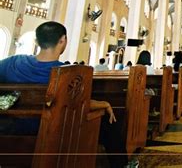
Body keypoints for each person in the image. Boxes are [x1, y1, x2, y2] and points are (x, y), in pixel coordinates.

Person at [0, 21, 126, 166]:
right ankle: (120, 164)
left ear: (37, 41)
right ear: (63, 40)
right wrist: (104, 104)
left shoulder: (11, 63)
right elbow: (79, 103)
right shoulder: (68, 73)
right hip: (53, 132)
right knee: (108, 120)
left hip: (10, 129)